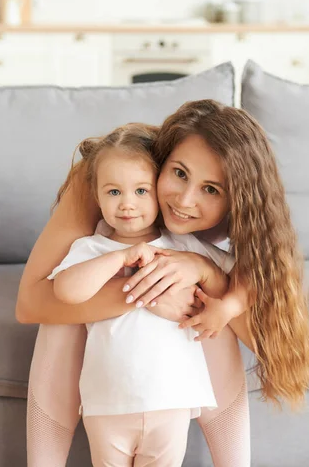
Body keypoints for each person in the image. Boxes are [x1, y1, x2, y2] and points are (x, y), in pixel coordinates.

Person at [17, 99, 309, 467]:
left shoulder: (246, 216)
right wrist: (149, 291)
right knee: (61, 320)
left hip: (171, 381)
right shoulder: (119, 174)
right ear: (161, 163)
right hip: (106, 310)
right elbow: (31, 302)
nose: (184, 200)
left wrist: (205, 273)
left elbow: (266, 338)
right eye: (178, 173)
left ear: (238, 200)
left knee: (208, 313)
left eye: (212, 190)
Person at [47, 122, 237, 466]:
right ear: (97, 197)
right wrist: (118, 258)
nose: (127, 205)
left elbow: (238, 273)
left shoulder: (182, 244)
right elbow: (65, 290)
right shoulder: (91, 248)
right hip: (108, 403)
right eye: (113, 192)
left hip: (171, 399)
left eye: (141, 191)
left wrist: (206, 273)